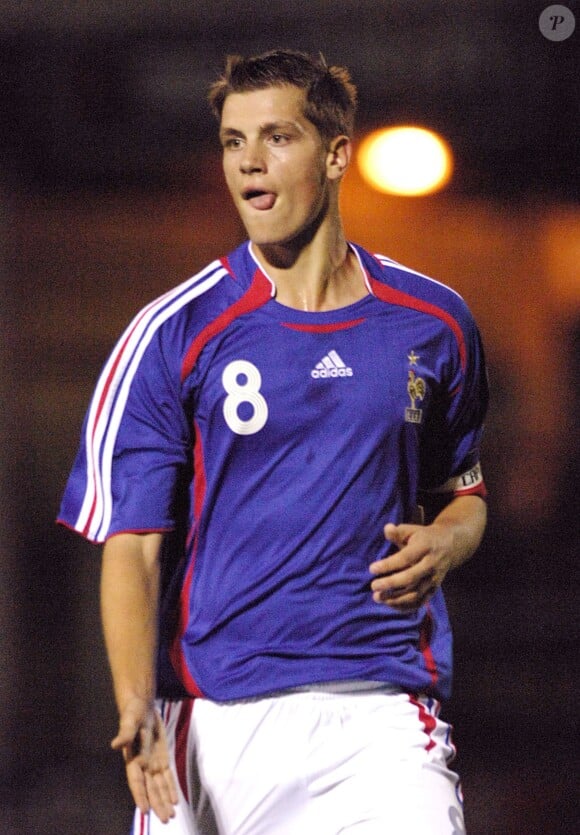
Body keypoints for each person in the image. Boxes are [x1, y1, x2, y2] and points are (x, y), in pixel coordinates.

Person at [58, 49, 489, 835]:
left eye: (276, 137)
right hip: (215, 722)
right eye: (232, 141)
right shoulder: (175, 333)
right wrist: (133, 705)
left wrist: (450, 543)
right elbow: (132, 547)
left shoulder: (434, 322)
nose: (250, 162)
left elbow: (463, 494)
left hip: (380, 719)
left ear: (334, 154)